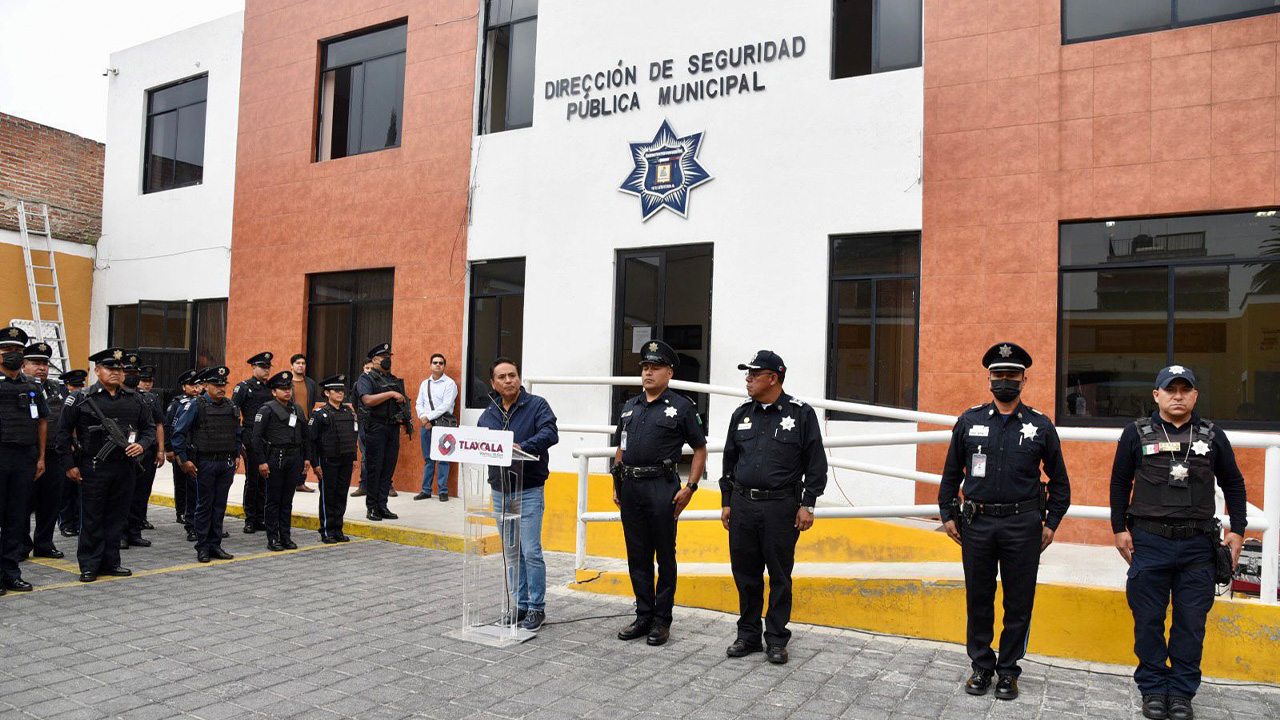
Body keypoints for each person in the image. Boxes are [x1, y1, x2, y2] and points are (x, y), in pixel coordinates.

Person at [1110, 365, 1247, 720]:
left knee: (1190, 623)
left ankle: (1182, 692)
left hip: (1198, 547)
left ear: (1195, 396)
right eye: (1170, 390)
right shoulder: (1135, 433)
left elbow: (1233, 483)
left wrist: (1238, 530)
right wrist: (1117, 528)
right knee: (1149, 620)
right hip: (1149, 543)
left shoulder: (1212, 436)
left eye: (1186, 390)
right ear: (1156, 395)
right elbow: (1119, 482)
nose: (1178, 396)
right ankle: (1154, 687)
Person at [938, 342, 1071, 700]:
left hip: (1022, 525)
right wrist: (947, 513)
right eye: (999, 375)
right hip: (977, 524)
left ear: (1024, 380)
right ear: (989, 379)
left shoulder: (1040, 425)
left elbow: (1060, 482)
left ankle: (1009, 670)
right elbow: (951, 473)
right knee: (978, 598)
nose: (1004, 381)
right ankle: (981, 666)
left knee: (1019, 601)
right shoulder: (970, 421)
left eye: (1012, 375)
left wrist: (1051, 523)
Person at [720, 350, 826, 665]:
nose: (748, 379)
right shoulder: (741, 414)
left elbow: (815, 463)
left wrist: (808, 504)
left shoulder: (801, 414)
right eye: (747, 374)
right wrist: (726, 501)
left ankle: (777, 638)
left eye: (754, 374)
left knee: (779, 576)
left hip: (781, 507)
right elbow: (729, 459)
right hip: (742, 506)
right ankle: (748, 635)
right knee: (745, 574)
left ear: (773, 378)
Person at [611, 340, 707, 646]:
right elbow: (620, 448)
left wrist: (690, 487)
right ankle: (643, 615)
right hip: (631, 488)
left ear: (669, 372)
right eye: (645, 367)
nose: (648, 373)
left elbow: (700, 448)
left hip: (661, 488)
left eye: (655, 367)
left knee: (665, 556)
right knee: (637, 555)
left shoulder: (682, 407)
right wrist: (616, 484)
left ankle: (662, 621)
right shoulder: (629, 406)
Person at [55, 347, 154, 583]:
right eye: (110, 368)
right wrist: (69, 465)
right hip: (94, 466)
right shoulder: (81, 398)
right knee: (92, 517)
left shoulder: (135, 398)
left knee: (117, 517)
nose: (116, 373)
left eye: (119, 369)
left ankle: (111, 562)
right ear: (97, 370)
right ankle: (89, 565)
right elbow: (62, 433)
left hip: (125, 467)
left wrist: (142, 445)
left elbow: (149, 428)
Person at [478, 357, 558, 632]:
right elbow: (480, 441)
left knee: (531, 551)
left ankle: (537, 608)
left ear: (519, 378)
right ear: (493, 383)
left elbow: (550, 433)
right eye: (502, 377)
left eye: (512, 375)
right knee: (512, 553)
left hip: (529, 489)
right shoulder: (490, 411)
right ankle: (520, 605)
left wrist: (521, 447)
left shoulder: (537, 405)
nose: (508, 380)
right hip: (500, 490)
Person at [171, 366, 241, 563]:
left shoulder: (231, 406)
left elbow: (236, 433)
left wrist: (236, 455)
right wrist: (184, 460)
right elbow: (178, 434)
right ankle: (202, 547)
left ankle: (215, 545)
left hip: (224, 463)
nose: (221, 388)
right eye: (216, 385)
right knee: (204, 506)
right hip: (204, 463)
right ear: (205, 386)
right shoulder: (196, 405)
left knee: (219, 506)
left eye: (223, 384)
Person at [0, 327, 48, 593]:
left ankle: (11, 573)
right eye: (8, 351)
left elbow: (42, 421)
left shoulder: (31, 386)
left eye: (18, 351)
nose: (14, 356)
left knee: (16, 520)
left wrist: (41, 457)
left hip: (24, 458)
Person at [252, 370, 308, 551]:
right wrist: (261, 461)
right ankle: (272, 538)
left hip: (294, 458)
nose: (287, 392)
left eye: (288, 388)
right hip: (275, 458)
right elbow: (256, 438)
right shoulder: (266, 409)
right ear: (273, 392)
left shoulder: (297, 409)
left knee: (287, 500)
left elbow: (305, 435)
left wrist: (306, 458)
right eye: (282, 389)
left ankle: (285, 536)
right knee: (273, 500)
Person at [21, 341, 65, 561]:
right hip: (27, 454)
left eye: (45, 364)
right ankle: (21, 544)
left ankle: (44, 544)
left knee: (51, 502)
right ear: (23, 365)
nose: (42, 368)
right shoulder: (19, 386)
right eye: (36, 363)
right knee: (23, 502)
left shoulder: (57, 388)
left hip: (53, 453)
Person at [354, 343, 409, 521]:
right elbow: (367, 400)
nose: (388, 359)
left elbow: (403, 402)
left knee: (387, 468)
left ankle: (382, 505)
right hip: (375, 427)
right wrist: (391, 394)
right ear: (374, 360)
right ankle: (372, 507)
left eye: (389, 356)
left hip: (392, 427)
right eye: (384, 356)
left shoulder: (393, 379)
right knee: (374, 468)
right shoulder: (367, 378)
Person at [307, 374, 357, 543]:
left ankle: (338, 529)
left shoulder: (347, 411)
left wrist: (354, 458)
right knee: (328, 496)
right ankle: (327, 530)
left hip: (345, 460)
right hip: (328, 461)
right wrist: (314, 463)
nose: (340, 393)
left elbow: (352, 435)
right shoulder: (320, 414)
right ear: (327, 393)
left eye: (342, 390)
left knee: (341, 495)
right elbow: (311, 441)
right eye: (336, 390)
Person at [124, 364, 165, 548]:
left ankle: (134, 531)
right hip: (122, 454)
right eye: (128, 373)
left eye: (135, 373)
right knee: (123, 496)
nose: (132, 376)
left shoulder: (148, 398)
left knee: (141, 493)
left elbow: (158, 424)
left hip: (146, 451)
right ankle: (120, 535)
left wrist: (160, 450)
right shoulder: (115, 397)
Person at [232, 351, 274, 533]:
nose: (266, 371)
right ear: (253, 367)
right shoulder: (244, 388)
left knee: (266, 479)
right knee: (253, 479)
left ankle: (261, 517)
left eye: (268, 367)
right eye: (262, 367)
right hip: (250, 436)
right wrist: (238, 437)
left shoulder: (272, 388)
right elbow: (233, 413)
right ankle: (250, 518)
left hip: (269, 438)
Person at [414, 353, 457, 502]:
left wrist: (428, 418)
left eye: (440, 363)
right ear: (430, 365)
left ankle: (443, 491)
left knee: (443, 458)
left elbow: (446, 405)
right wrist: (422, 418)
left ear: (444, 366)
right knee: (428, 458)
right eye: (435, 362)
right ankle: (426, 490)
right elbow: (419, 404)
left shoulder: (449, 384)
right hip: (426, 425)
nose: (437, 365)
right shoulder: (424, 384)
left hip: (443, 424)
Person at [166, 369, 203, 540]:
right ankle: (181, 512)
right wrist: (170, 449)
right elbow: (170, 426)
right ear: (183, 387)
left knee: (196, 486)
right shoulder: (177, 403)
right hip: (182, 448)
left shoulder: (203, 403)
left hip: (198, 449)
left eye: (198, 385)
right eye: (192, 385)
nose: (196, 388)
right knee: (181, 483)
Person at [57, 368, 87, 537]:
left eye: (80, 385)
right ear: (67, 385)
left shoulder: (86, 398)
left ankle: (76, 521)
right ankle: (66, 523)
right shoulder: (65, 400)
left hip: (81, 448)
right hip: (67, 448)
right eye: (74, 385)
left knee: (79, 490)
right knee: (66, 491)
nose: (77, 388)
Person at [290, 354, 318, 494]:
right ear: (292, 366)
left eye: (303, 363)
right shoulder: (286, 382)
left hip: (305, 423)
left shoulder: (310, 383)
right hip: (289, 423)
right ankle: (290, 481)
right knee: (291, 453)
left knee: (305, 453)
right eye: (298, 363)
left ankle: (300, 482)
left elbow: (311, 402)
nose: (301, 365)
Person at [351, 359, 374, 498]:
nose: (369, 371)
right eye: (367, 368)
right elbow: (354, 402)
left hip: (379, 424)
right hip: (363, 424)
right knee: (365, 456)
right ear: (363, 368)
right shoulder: (358, 384)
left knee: (383, 456)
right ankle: (363, 485)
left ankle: (387, 485)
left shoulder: (380, 383)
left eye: (372, 368)